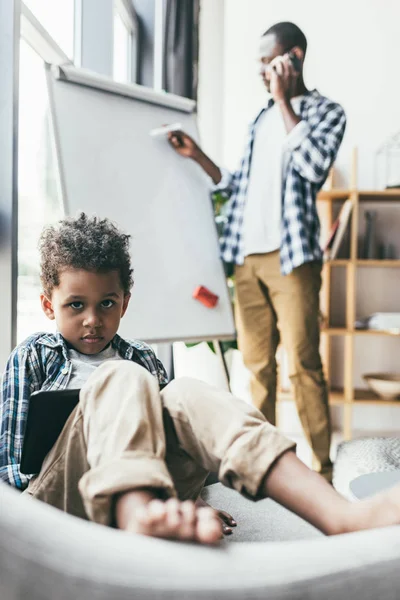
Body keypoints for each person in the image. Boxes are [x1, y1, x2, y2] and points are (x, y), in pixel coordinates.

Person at [2, 213, 400, 546]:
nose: (93, 319)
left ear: (124, 301)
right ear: (47, 305)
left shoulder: (141, 357)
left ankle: (340, 516)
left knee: (184, 391)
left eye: (106, 303)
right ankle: (136, 513)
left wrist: (188, 499)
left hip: (149, 491)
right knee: (120, 376)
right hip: (59, 501)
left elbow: (180, 447)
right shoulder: (33, 357)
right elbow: (10, 469)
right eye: (75, 305)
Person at [168, 22, 347, 482]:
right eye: (258, 65)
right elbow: (237, 186)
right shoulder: (260, 120)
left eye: (268, 62)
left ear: (294, 58)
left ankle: (323, 469)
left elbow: (311, 167)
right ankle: (267, 468)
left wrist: (285, 101)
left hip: (292, 259)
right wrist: (198, 156)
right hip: (246, 261)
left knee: (305, 364)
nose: (261, 73)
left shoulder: (326, 112)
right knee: (257, 368)